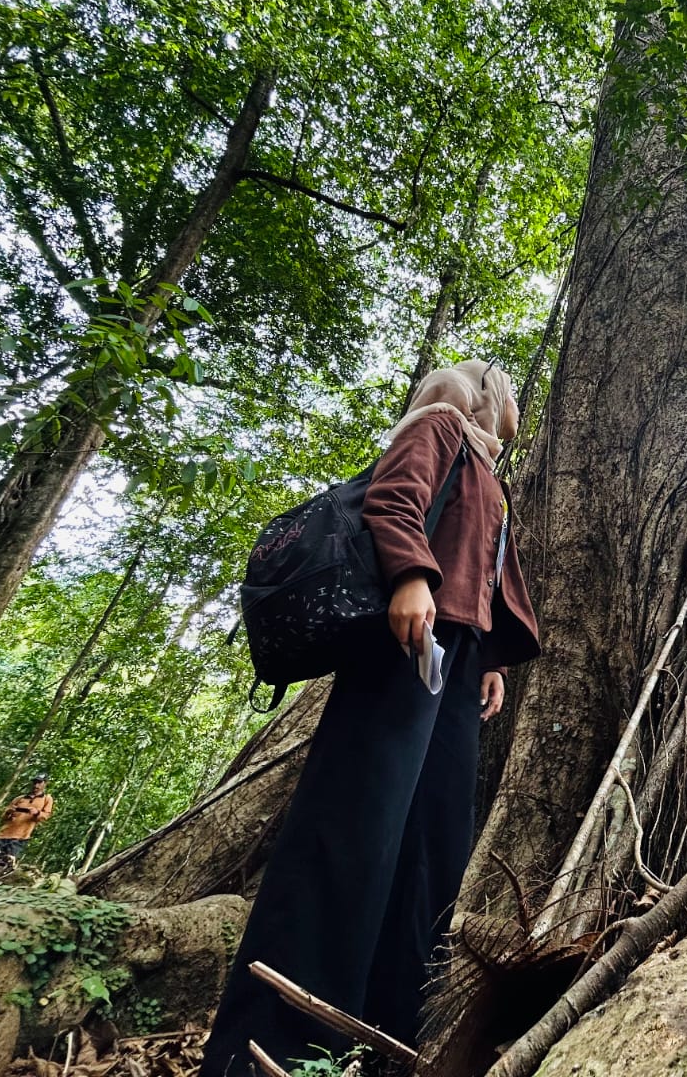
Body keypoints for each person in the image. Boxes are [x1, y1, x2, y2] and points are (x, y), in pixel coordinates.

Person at [202, 360, 541, 1077]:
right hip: (405, 641)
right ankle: (270, 1048)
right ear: (483, 393)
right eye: (505, 386)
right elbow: (393, 497)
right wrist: (412, 577)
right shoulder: (443, 424)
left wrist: (491, 661)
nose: (513, 399)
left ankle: (385, 1039)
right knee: (352, 826)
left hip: (455, 658)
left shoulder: (489, 468)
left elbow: (486, 567)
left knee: (432, 845)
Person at [0, 775, 53, 867]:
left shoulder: (46, 799)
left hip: (21, 836)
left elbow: (46, 816)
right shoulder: (20, 798)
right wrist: (9, 812)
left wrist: (37, 813)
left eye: (39, 783)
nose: (36, 785)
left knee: (7, 861)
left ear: (45, 783)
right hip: (3, 834)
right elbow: (3, 817)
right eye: (35, 782)